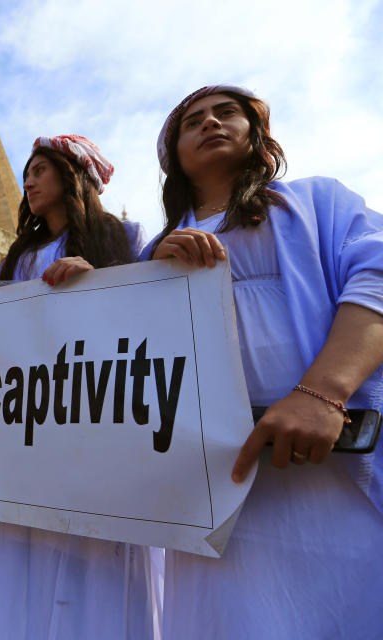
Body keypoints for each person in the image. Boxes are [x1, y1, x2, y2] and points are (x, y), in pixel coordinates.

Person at [143, 85, 383, 639]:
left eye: (227, 113)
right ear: (174, 154)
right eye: (192, 121)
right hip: (209, 497)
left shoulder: (319, 203)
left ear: (258, 135)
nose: (210, 123)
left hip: (328, 475)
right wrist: (141, 280)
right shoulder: (154, 250)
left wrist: (323, 393)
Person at [0, 135, 155, 640]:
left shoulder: (123, 237)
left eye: (41, 169)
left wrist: (96, 279)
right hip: (21, 418)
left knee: (87, 569)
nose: (29, 181)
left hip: (89, 414)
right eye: (28, 172)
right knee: (13, 560)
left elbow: (150, 318)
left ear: (72, 177)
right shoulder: (19, 256)